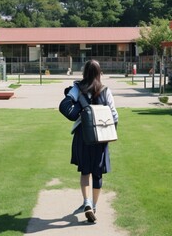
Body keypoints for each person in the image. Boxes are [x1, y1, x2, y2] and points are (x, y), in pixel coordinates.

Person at [66, 59, 118, 223]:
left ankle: (86, 202)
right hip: (100, 136)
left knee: (85, 171)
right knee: (97, 173)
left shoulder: (77, 88)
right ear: (98, 73)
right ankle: (94, 206)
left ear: (84, 73)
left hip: (83, 135)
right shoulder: (105, 90)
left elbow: (66, 105)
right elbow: (114, 115)